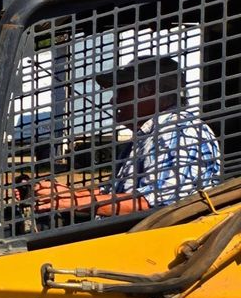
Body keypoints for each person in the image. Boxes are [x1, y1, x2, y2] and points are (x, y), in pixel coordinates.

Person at [32, 55, 221, 216]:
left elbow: (161, 203)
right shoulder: (147, 135)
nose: (113, 101)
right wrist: (65, 194)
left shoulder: (178, 132)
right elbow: (115, 193)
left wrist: (72, 201)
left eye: (123, 91)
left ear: (150, 91)